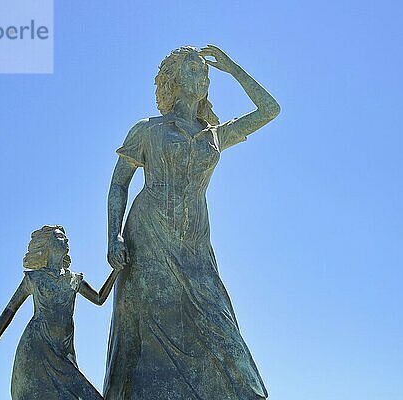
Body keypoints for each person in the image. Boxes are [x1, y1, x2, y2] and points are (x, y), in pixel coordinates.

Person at [104, 45, 280, 400]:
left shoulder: (213, 133)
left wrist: (232, 68)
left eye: (206, 71)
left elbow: (270, 110)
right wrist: (114, 236)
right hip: (148, 238)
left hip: (195, 245)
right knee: (143, 333)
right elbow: (119, 182)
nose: (204, 76)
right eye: (194, 69)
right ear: (174, 80)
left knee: (221, 328)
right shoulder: (147, 130)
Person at [0, 225, 118, 400]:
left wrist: (116, 270)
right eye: (59, 237)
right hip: (37, 347)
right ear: (47, 245)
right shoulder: (34, 278)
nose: (66, 240)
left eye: (66, 238)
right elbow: (10, 310)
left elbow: (99, 299)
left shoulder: (73, 280)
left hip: (63, 351)